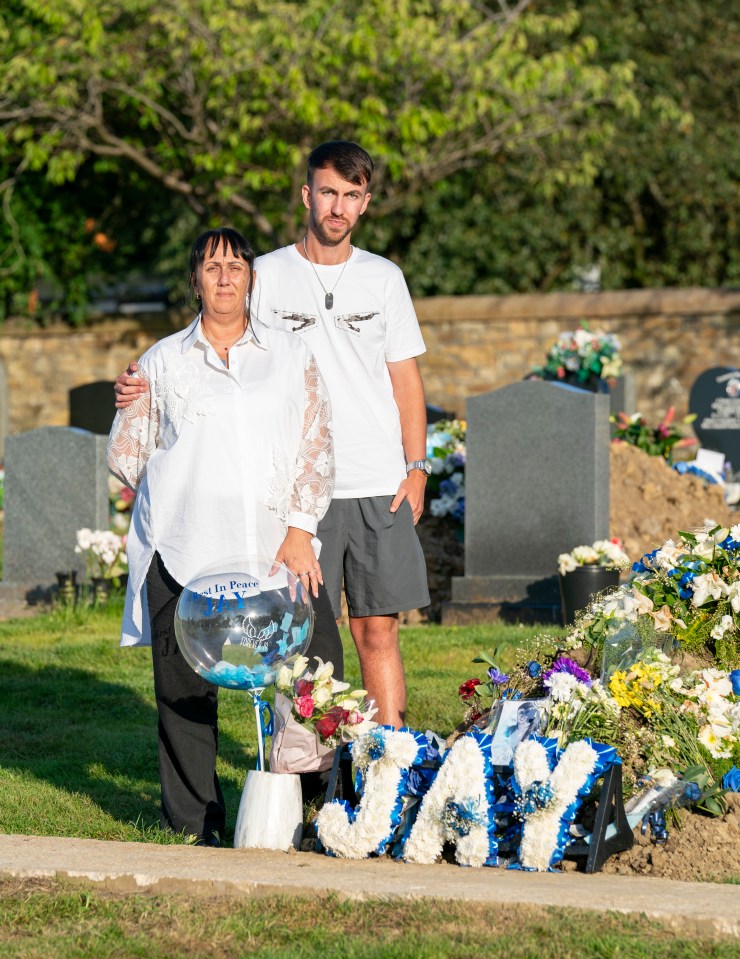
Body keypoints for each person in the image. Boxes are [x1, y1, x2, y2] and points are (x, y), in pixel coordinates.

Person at [114, 141, 430, 728]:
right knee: (297, 639)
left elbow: (405, 376)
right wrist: (142, 383)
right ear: (308, 195)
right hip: (297, 497)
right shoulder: (268, 274)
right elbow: (213, 331)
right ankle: (297, 773)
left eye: (352, 196)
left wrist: (416, 467)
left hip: (376, 481)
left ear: (364, 205)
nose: (338, 207)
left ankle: (389, 770)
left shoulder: (385, 279)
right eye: (329, 192)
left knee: (377, 633)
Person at [107, 227, 338, 846]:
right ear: (196, 280)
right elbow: (128, 459)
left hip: (277, 549)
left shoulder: (290, 356)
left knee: (316, 680)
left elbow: (316, 443)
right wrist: (129, 403)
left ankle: (317, 811)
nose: (226, 276)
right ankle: (196, 824)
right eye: (213, 267)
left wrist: (299, 529)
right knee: (182, 693)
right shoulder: (162, 360)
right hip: (185, 552)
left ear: (251, 279)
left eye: (236, 265)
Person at [491, 702, 541, 766]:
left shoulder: (533, 735)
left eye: (526, 713)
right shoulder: (508, 730)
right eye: (521, 712)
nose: (522, 716)